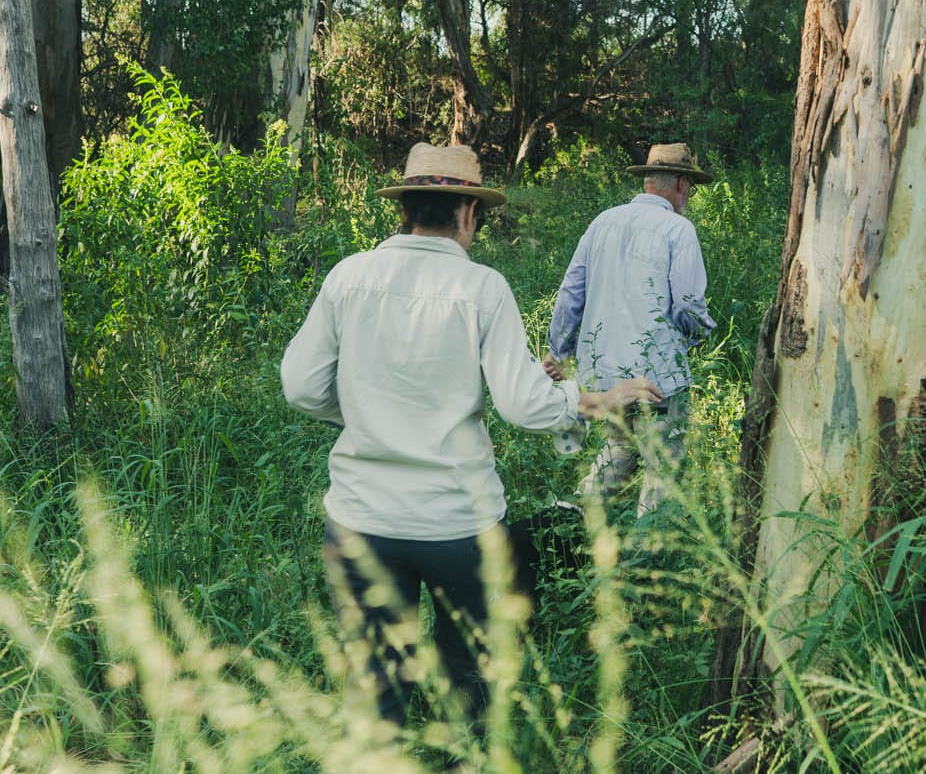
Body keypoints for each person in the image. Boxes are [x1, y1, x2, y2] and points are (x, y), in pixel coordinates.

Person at [281, 142, 660, 728]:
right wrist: (594, 399)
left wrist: (371, 415)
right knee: (471, 674)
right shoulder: (482, 288)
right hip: (458, 525)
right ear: (467, 213)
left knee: (376, 682)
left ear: (405, 208)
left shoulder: (348, 277)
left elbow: (302, 387)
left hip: (362, 519)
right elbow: (524, 407)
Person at [549, 143, 716, 515]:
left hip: (605, 373)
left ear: (648, 181)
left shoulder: (603, 221)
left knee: (618, 450)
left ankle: (568, 529)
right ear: (683, 185)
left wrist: (557, 350)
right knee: (663, 473)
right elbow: (688, 303)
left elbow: (571, 291)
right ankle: (647, 560)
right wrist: (699, 336)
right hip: (659, 377)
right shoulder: (678, 228)